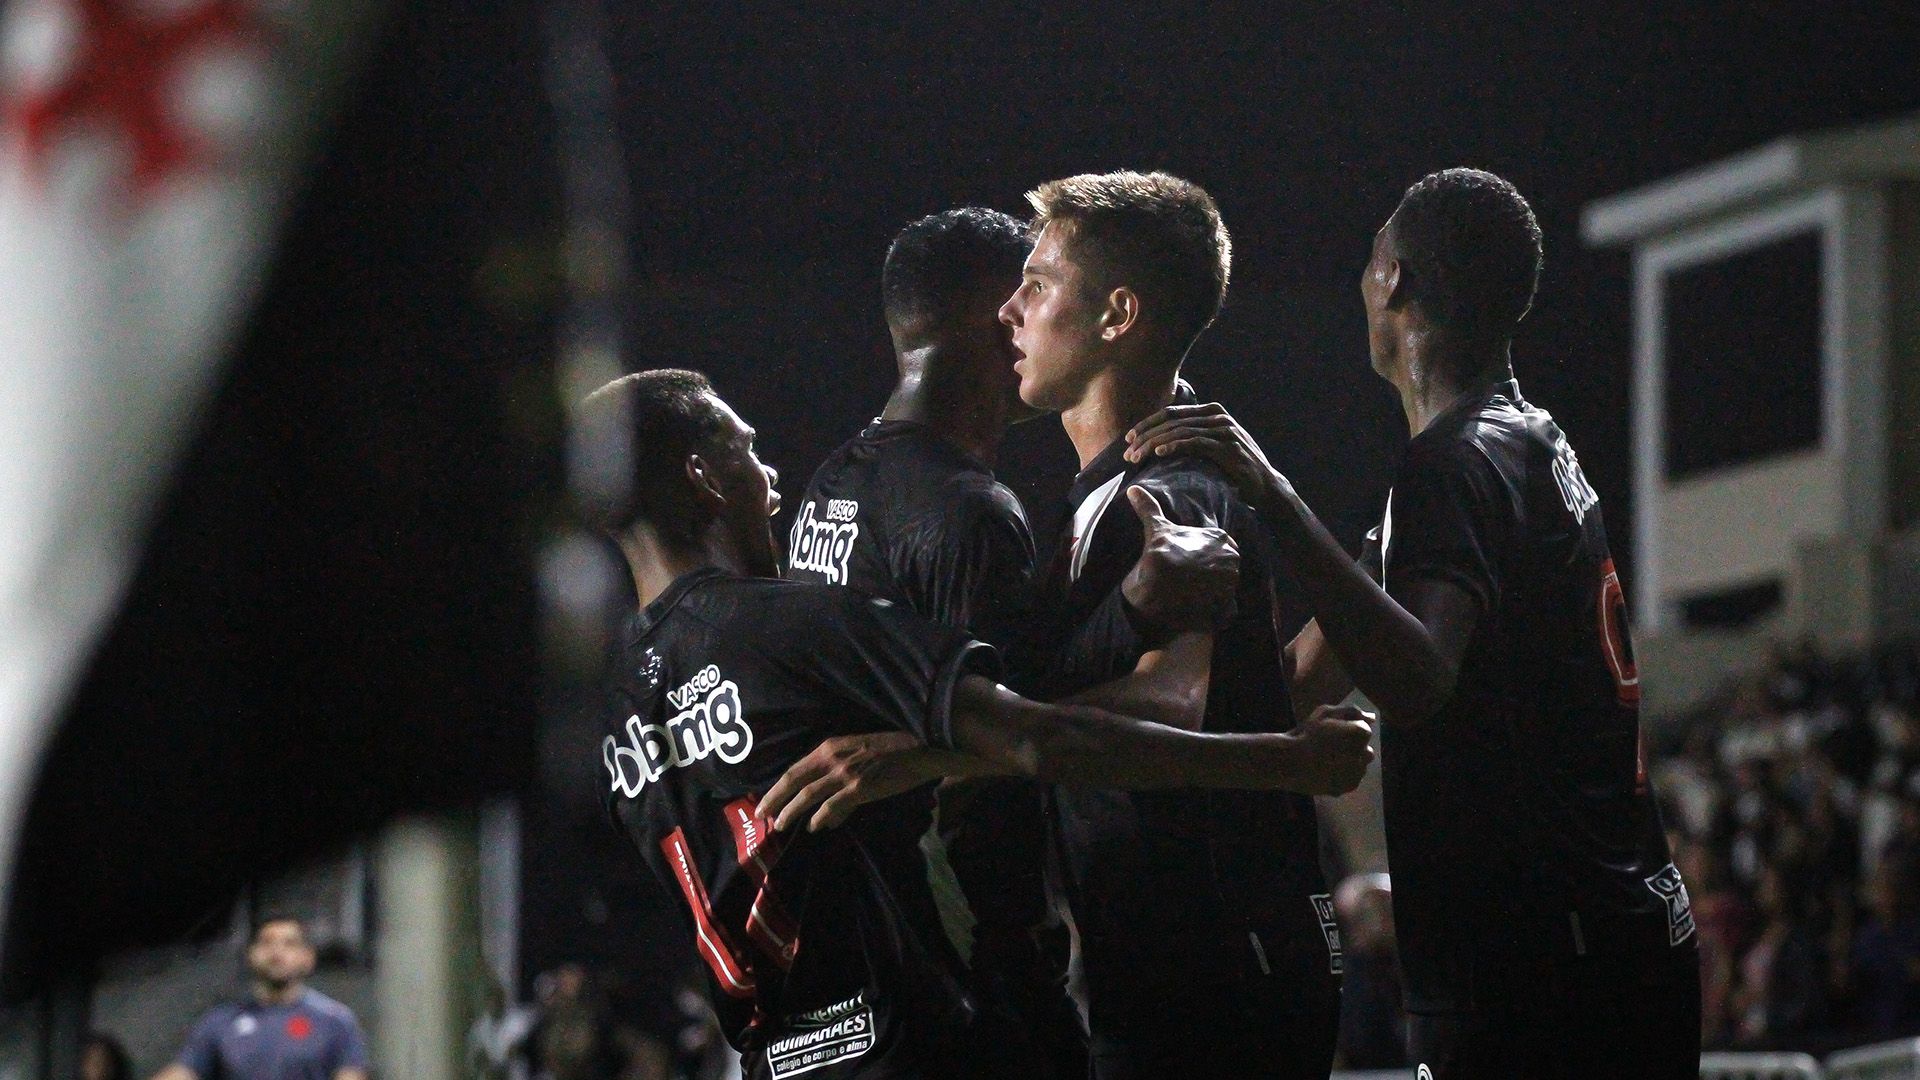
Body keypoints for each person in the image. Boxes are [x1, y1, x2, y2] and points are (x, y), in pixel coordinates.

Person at [577, 369, 1373, 1080]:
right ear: (702, 476)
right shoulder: (790, 627)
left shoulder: (614, 712)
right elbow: (1033, 736)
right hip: (923, 1043)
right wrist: (1283, 760)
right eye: (746, 451)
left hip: (774, 1061)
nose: (772, 477)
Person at [1125, 167, 1702, 1078]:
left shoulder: (1452, 464)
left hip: (1542, 969)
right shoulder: (1525, 439)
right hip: (1612, 933)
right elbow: (1309, 675)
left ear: (1392, 280)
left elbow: (1419, 677)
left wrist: (1271, 497)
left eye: (1370, 255)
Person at [780, 207, 1237, 1078]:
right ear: (999, 311)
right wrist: (1134, 612)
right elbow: (1005, 736)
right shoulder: (966, 510)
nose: (1031, 310)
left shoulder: (833, 483)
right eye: (1026, 287)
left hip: (860, 946)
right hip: (960, 967)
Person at [993, 170, 1341, 1080]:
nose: (1009, 310)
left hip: (1220, 972)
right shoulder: (1103, 493)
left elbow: (1174, 702)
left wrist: (979, 731)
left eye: (1036, 283)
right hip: (1179, 963)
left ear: (1116, 314)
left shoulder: (1173, 485)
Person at [152, 916, 370, 1080]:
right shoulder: (220, 1021)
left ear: (308, 957)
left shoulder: (335, 1020)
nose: (276, 953)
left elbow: (350, 1074)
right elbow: (184, 1072)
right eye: (267, 943)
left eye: (289, 944)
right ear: (251, 955)